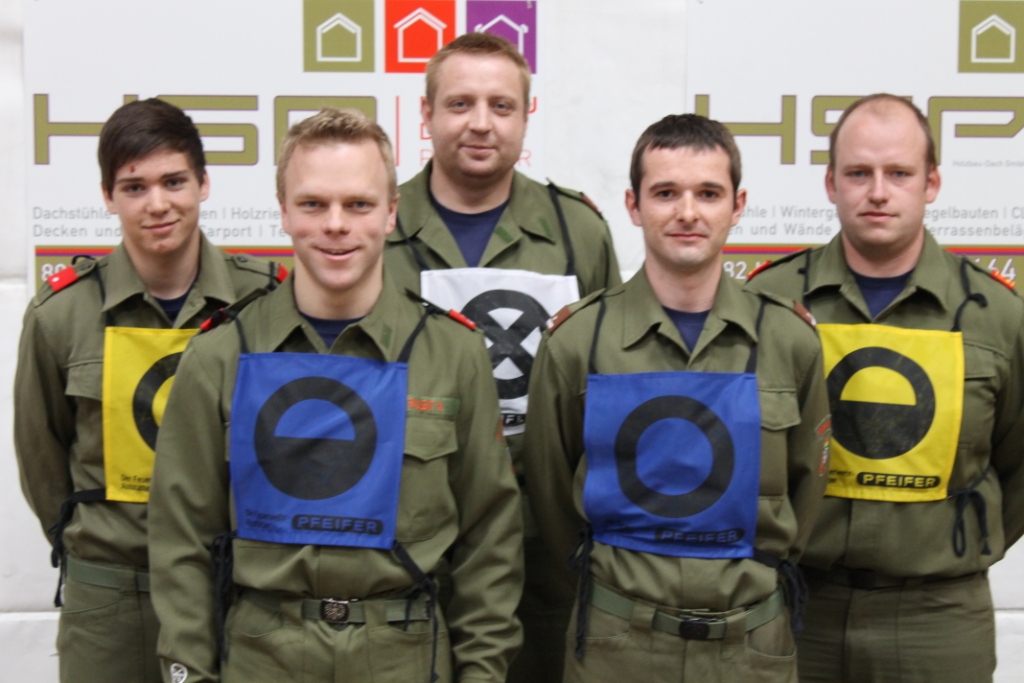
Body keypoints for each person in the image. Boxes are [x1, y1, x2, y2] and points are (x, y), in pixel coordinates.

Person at [148, 108, 523, 683]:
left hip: (405, 659)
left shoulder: (453, 355)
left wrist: (481, 674)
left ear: (392, 211)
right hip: (261, 658)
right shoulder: (219, 357)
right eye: (313, 204)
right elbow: (181, 542)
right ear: (283, 212)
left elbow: (489, 540)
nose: (336, 225)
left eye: (359, 204)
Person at [523, 113, 831, 682]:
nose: (687, 212)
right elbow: (552, 496)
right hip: (617, 647)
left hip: (751, 647)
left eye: (708, 193)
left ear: (737, 206)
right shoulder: (577, 342)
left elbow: (807, 490)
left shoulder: (789, 340)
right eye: (666, 193)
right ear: (634, 205)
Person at [746, 94, 1024, 683]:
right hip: (796, 606)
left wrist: (954, 542)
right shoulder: (767, 303)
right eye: (858, 173)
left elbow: (1018, 461)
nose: (878, 192)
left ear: (931, 183)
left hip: (938, 619)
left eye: (899, 173)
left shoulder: (998, 316)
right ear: (830, 183)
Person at [13, 98, 284, 683]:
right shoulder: (60, 314)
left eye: (174, 181)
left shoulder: (265, 301)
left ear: (204, 183)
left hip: (237, 591)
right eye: (134, 187)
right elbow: (42, 461)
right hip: (109, 601)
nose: (157, 203)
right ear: (108, 196)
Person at [384, 32, 620, 681]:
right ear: (426, 113)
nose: (481, 123)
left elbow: (610, 383)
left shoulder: (578, 231)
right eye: (460, 103)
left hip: (547, 537)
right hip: (409, 533)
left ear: (526, 115)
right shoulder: (374, 224)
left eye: (501, 105)